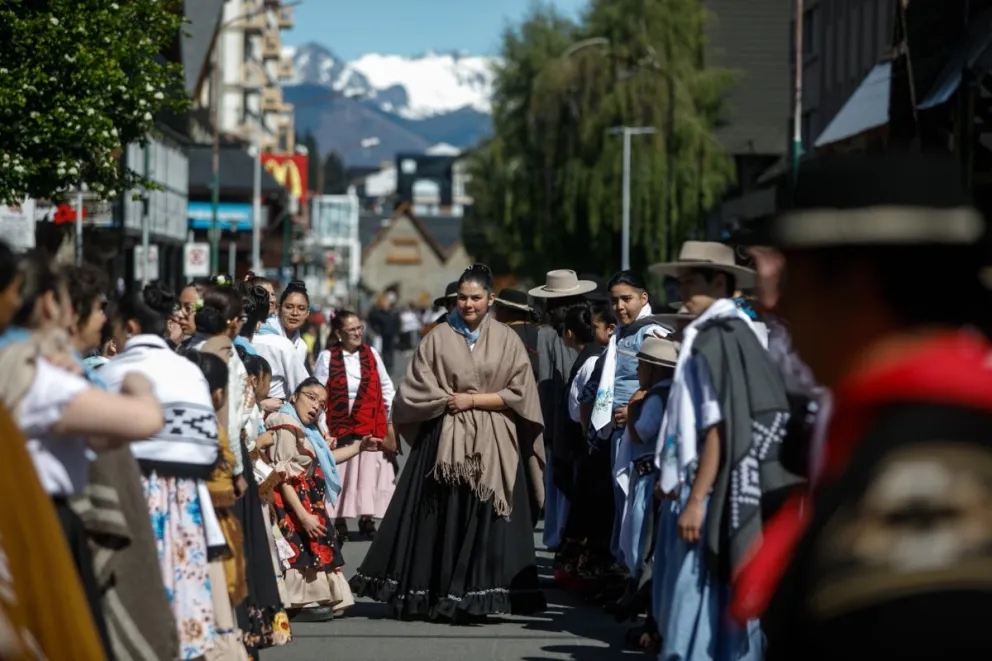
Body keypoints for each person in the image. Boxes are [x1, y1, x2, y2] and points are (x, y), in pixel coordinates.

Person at [731, 152, 992, 659]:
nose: (774, 305)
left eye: (792, 282)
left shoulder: (922, 485)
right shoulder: (921, 429)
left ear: (854, 288)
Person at [351, 264, 547, 622]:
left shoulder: (507, 338)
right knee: (442, 515)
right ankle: (437, 593)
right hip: (444, 440)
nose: (468, 304)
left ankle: (477, 596)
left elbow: (521, 392)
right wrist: (446, 400)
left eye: (476, 298)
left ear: (491, 300)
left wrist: (472, 401)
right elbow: (414, 388)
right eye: (462, 298)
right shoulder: (437, 336)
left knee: (486, 515)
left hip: (495, 439)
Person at [649, 240, 796, 661]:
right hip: (728, 487)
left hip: (711, 493)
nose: (681, 292)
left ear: (719, 280)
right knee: (717, 613)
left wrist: (695, 499)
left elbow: (719, 426)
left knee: (694, 612)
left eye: (689, 281)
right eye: (678, 282)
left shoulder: (716, 338)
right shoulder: (736, 333)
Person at [99, 283, 222, 660]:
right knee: (180, 603)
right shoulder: (189, 372)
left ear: (131, 327)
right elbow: (207, 450)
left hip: (127, 500)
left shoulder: (111, 373)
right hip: (184, 502)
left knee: (129, 605)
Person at [65, 263, 179, 660]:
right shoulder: (54, 373)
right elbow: (145, 419)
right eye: (99, 310)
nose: (104, 321)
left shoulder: (78, 369)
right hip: (70, 508)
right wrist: (138, 387)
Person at [266, 379, 376, 622]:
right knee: (298, 548)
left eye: (322, 404)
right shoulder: (284, 424)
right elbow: (282, 476)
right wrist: (303, 516)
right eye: (311, 397)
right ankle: (300, 601)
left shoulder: (310, 430)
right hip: (290, 501)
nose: (316, 406)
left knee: (314, 547)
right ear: (294, 396)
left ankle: (319, 597)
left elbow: (323, 461)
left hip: (308, 497)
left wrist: (360, 447)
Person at [314, 310, 397, 542]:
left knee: (368, 474)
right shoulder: (327, 357)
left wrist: (390, 419)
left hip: (369, 423)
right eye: (352, 330)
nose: (358, 333)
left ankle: (367, 517)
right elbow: (318, 392)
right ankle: (339, 520)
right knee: (343, 474)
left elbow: (386, 386)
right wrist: (322, 427)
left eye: (359, 328)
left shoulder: (371, 354)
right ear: (339, 333)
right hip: (339, 425)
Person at [529, 270, 597, 549]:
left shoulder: (547, 335)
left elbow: (546, 385)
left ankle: (562, 545)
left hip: (560, 421)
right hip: (577, 419)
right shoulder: (589, 328)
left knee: (563, 484)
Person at [258, 280, 310, 366]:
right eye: (289, 307)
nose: (294, 313)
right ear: (278, 309)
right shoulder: (263, 333)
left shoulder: (302, 347)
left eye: (301, 308)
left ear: (307, 313)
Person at [493, 289, 539, 380]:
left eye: (498, 307)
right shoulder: (536, 330)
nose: (495, 312)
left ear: (507, 310)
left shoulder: (505, 334)